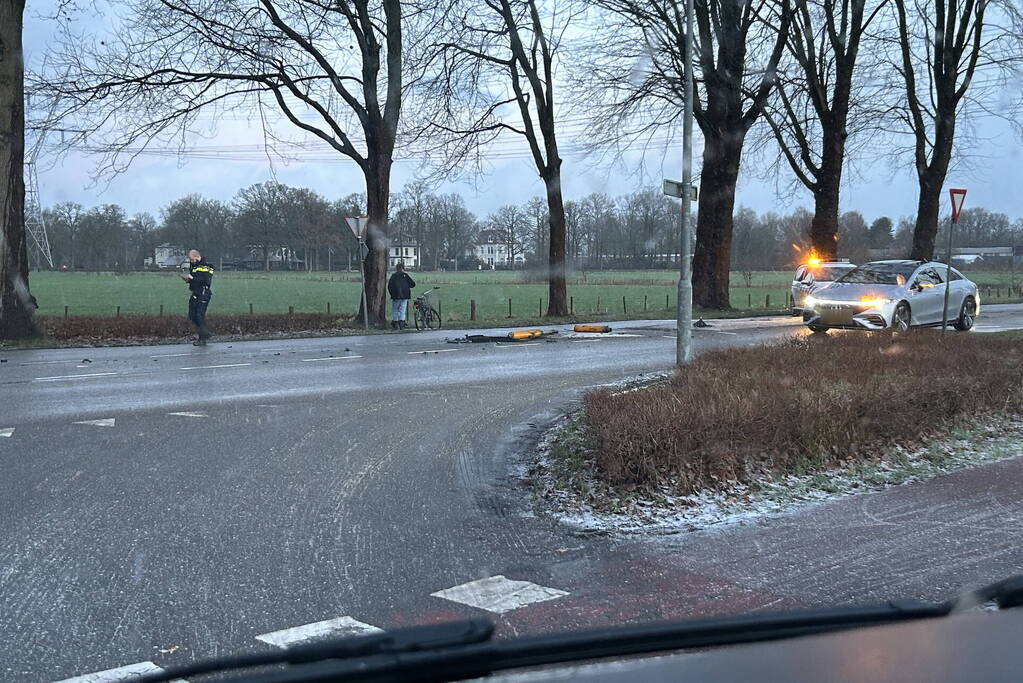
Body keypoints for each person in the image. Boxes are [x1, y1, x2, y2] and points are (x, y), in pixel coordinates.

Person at [180, 249, 214, 345]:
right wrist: (187, 279)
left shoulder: (207, 266)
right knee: (192, 315)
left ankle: (204, 337)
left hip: (203, 293)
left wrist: (192, 278)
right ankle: (204, 334)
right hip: (195, 293)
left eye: (191, 259)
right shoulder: (194, 266)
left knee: (199, 315)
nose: (191, 261)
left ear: (196, 256)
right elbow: (194, 280)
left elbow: (205, 280)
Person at [387, 262, 416, 330]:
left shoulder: (393, 276)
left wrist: (392, 294)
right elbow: (413, 284)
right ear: (403, 268)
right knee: (402, 310)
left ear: (396, 268)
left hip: (395, 296)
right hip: (405, 296)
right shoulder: (405, 275)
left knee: (395, 309)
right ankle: (402, 323)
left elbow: (389, 286)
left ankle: (395, 323)